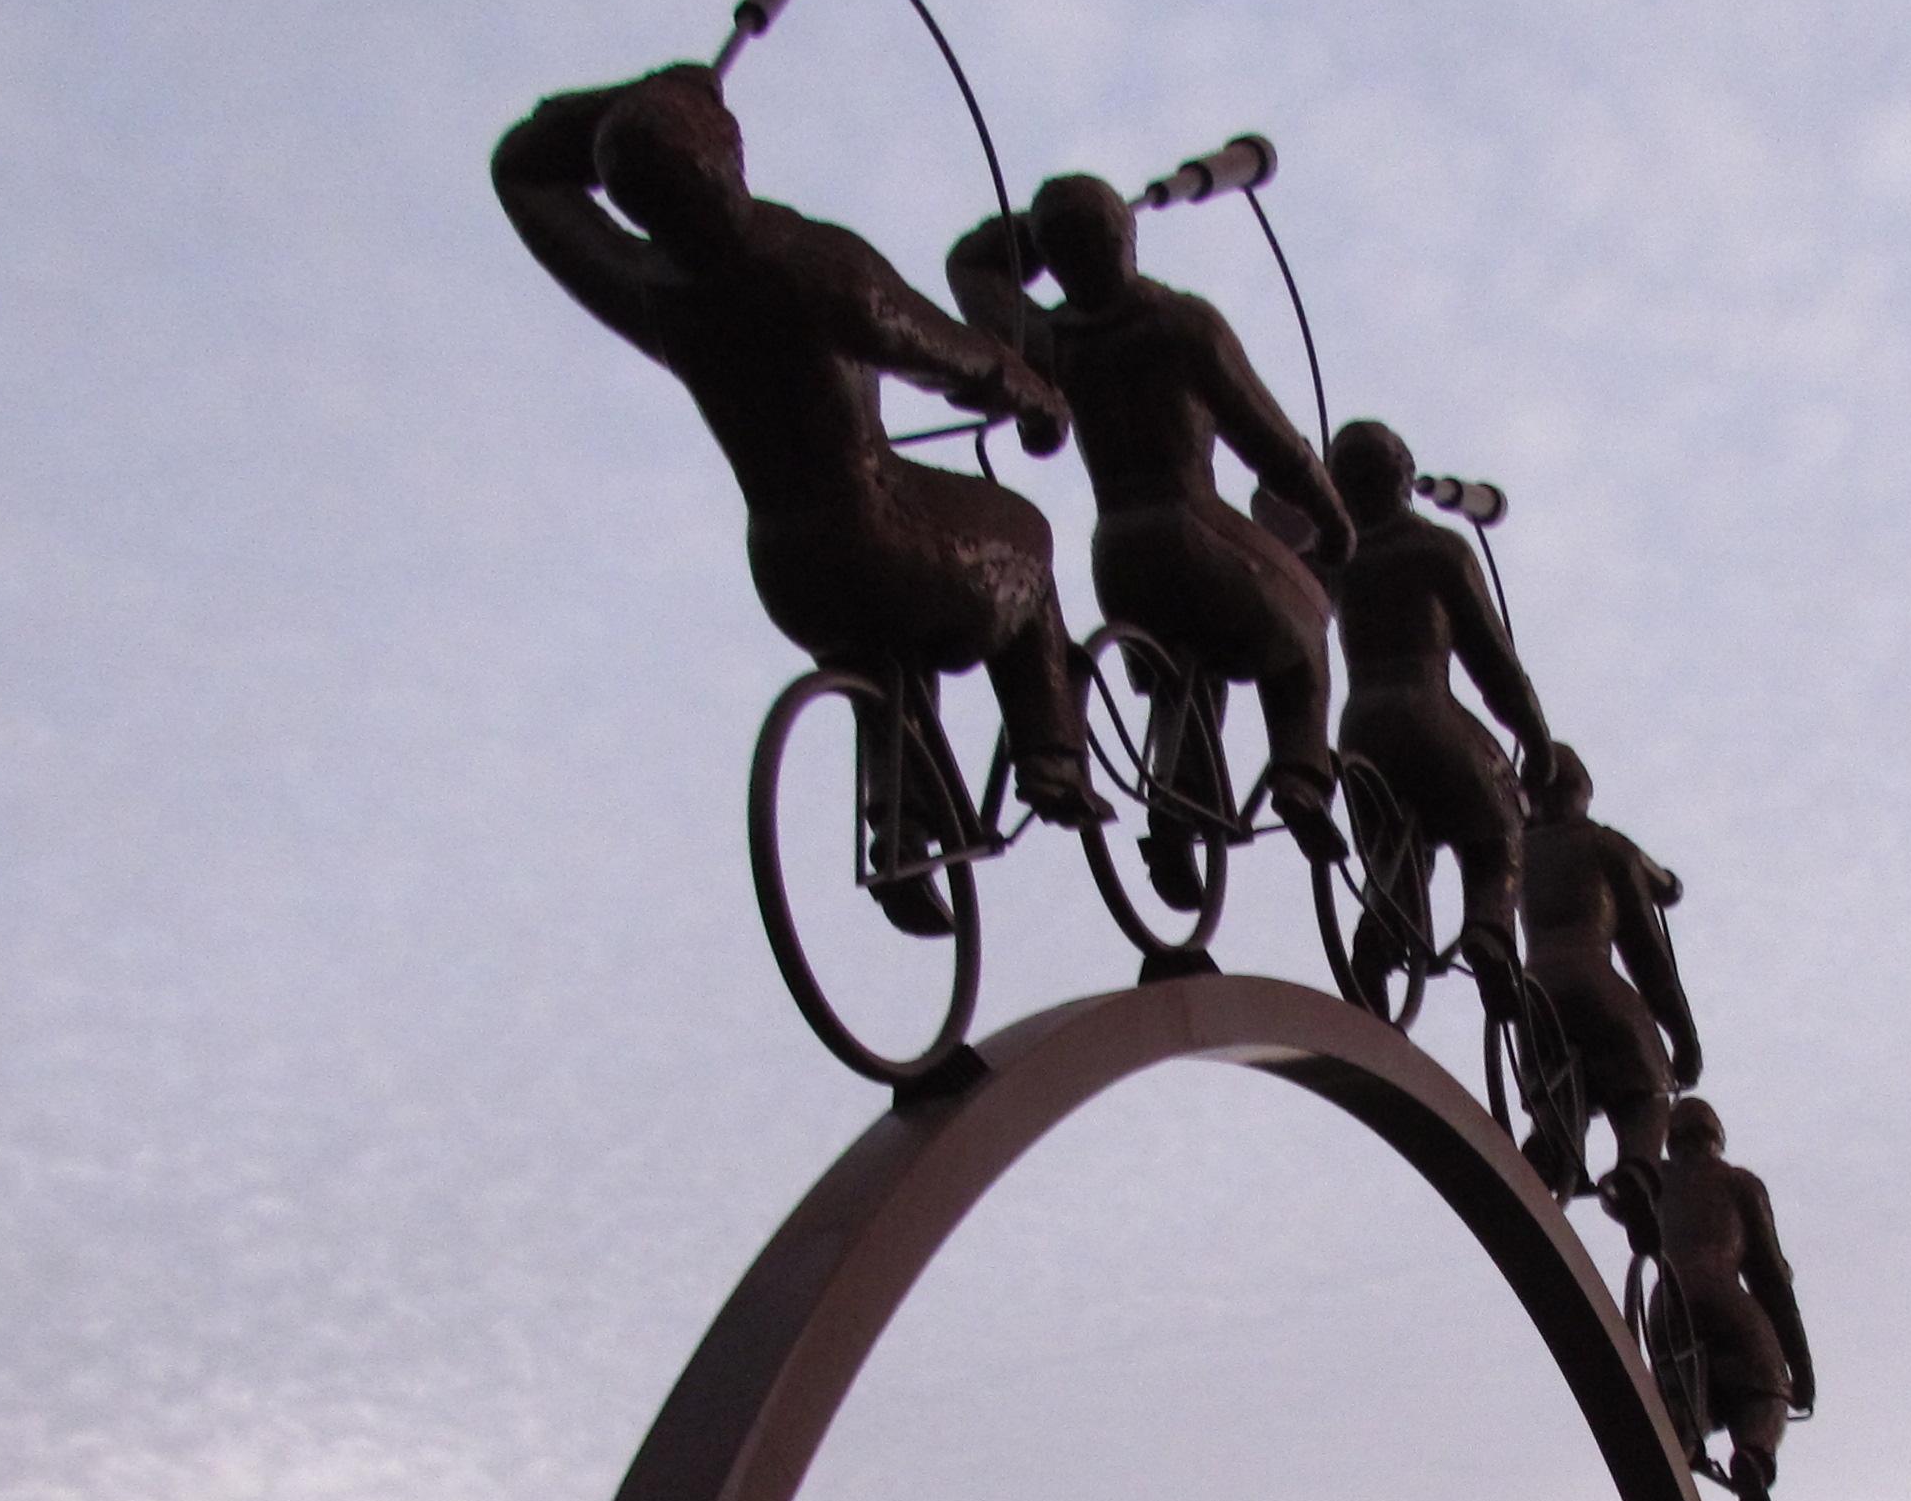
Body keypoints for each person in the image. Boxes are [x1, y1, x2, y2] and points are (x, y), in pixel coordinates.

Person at [492, 62, 1099, 930]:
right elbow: (946, 353)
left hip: (788, 566)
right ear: (732, 156)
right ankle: (1052, 758)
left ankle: (902, 819)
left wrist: (631, 106)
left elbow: (523, 170)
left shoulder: (651, 290)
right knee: (1025, 542)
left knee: (880, 642)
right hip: (878, 526)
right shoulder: (815, 267)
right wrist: (1033, 396)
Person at [949, 176, 1351, 900]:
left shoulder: (1048, 338)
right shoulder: (1184, 325)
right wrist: (1333, 517)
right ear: (1125, 241)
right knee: (1308, 616)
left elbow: (970, 268)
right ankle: (1300, 776)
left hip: (1119, 554)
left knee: (1186, 658)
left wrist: (1031, 237)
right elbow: (1273, 444)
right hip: (1194, 526)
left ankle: (1176, 810)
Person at [1322, 419, 1550, 992]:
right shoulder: (1439, 549)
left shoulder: (1338, 556)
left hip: (1360, 728)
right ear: (1402, 475)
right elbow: (1494, 663)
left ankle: (1380, 931)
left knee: (1393, 848)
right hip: (1427, 714)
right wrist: (1536, 742)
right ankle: (1489, 931)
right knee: (1501, 818)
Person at [1510, 745, 1700, 1199]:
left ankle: (1552, 1143)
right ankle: (1636, 1172)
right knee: (1648, 1090)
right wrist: (1683, 1037)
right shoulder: (1605, 845)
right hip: (1592, 982)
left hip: (1532, 994)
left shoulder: (1516, 850)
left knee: (1552, 1084)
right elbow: (1647, 954)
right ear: (1581, 792)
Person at [1643, 1097, 1814, 1501]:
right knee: (1766, 1392)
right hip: (1723, 1294)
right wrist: (1801, 1370)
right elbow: (1771, 1280)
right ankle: (1753, 1458)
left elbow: (1620, 1197)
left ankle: (1686, 1427)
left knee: (1683, 1383)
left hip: (1667, 1304)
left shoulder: (1656, 1179)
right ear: (1716, 1139)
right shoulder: (1739, 1185)